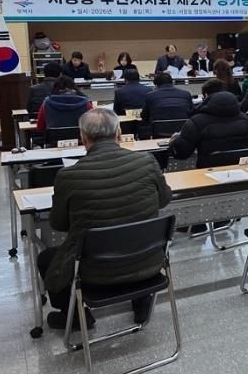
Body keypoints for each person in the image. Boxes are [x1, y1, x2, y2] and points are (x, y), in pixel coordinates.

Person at [37, 108, 172, 329]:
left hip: (94, 271)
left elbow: (58, 224)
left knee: (46, 258)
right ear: (119, 133)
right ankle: (142, 301)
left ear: (83, 138)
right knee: (133, 233)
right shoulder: (147, 162)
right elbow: (164, 200)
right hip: (148, 262)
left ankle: (77, 317)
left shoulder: (68, 176)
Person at [170, 79, 248, 168]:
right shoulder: (246, 120)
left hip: (208, 172)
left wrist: (174, 141)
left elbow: (181, 153)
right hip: (243, 171)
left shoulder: (196, 122)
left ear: (206, 96)